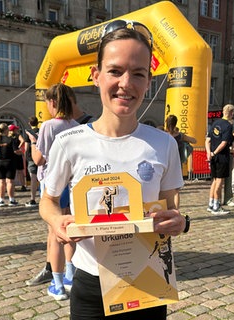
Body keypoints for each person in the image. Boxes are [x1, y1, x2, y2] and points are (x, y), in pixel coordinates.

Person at [39, 22, 186, 319]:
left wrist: (178, 222)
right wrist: (57, 222)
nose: (126, 83)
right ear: (96, 76)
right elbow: (48, 200)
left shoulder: (164, 143)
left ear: (148, 82)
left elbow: (171, 206)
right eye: (115, 71)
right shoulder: (69, 142)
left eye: (139, 73)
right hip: (90, 281)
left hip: (147, 278)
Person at [31, 83, 79, 301]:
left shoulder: (48, 126)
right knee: (68, 228)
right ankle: (70, 273)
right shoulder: (77, 126)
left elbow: (39, 159)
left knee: (54, 233)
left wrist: (32, 143)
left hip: (52, 184)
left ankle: (57, 284)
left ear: (51, 103)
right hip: (71, 183)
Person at [206, 104, 234, 215]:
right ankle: (216, 206)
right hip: (222, 156)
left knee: (214, 180)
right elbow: (224, 143)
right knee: (219, 181)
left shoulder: (215, 123)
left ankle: (211, 203)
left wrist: (209, 153)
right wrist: (214, 152)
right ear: (231, 113)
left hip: (213, 156)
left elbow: (207, 140)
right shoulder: (228, 125)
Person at [164, 114, 196, 208]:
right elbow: (194, 140)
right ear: (176, 123)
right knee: (175, 190)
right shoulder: (179, 135)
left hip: (164, 162)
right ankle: (176, 210)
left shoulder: (162, 134)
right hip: (176, 164)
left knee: (162, 188)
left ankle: (163, 208)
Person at [0, 123, 18, 207]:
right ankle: (11, 200)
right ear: (7, 130)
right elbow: (15, 151)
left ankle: (1, 200)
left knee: (1, 182)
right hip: (9, 161)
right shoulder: (11, 139)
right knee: (10, 181)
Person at [24, 116, 40, 208]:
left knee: (33, 178)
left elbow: (26, 148)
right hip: (41, 156)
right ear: (37, 123)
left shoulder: (28, 132)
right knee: (43, 177)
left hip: (31, 157)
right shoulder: (41, 131)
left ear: (29, 123)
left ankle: (33, 199)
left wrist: (26, 157)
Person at [8, 124, 26, 192]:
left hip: (11, 154)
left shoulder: (8, 136)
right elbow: (23, 141)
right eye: (16, 129)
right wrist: (19, 146)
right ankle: (22, 185)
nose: (17, 130)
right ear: (14, 130)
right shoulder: (18, 135)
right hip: (17, 154)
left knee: (12, 172)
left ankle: (12, 185)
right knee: (20, 171)